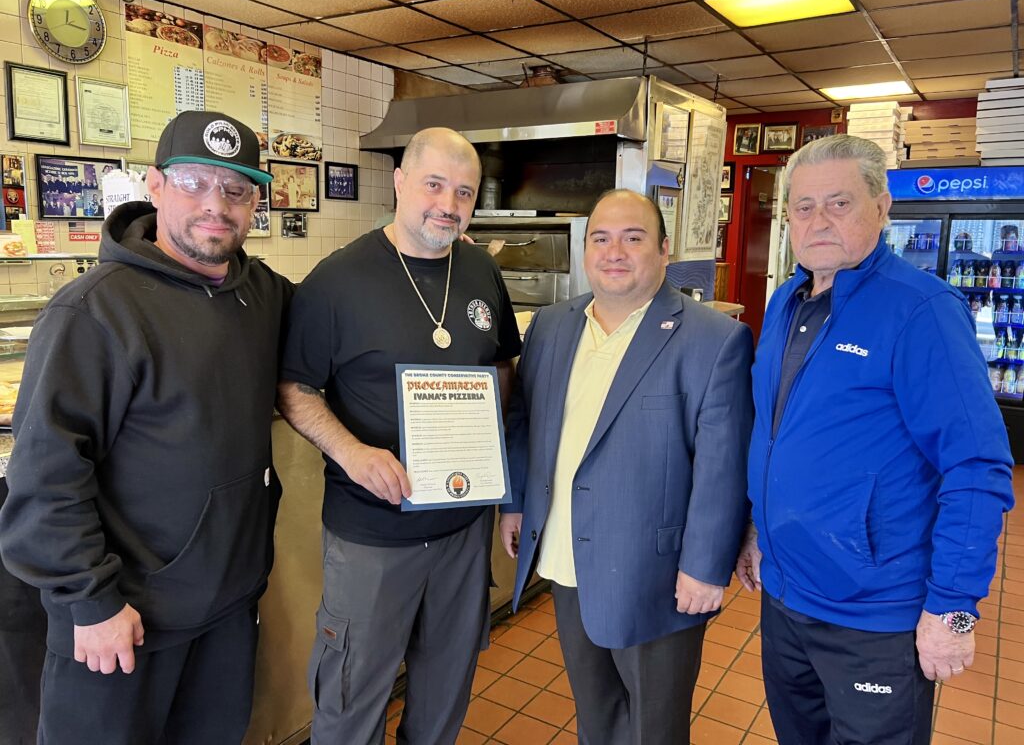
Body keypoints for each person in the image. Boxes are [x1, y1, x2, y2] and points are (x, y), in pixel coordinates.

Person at [0, 110, 292, 745]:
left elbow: (336, 328)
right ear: (155, 186)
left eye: (237, 189)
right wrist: (90, 601)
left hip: (228, 611)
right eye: (195, 183)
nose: (217, 205)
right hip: (123, 622)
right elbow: (44, 473)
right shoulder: (94, 310)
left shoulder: (262, 294)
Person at [735, 134, 1014, 745]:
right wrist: (757, 528)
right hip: (785, 597)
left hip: (874, 615)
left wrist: (954, 609)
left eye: (839, 203)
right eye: (804, 207)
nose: (818, 221)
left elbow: (977, 467)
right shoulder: (786, 300)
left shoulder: (921, 310)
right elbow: (775, 433)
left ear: (882, 208)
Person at [277, 126, 521, 744]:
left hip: (463, 530)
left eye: (463, 192)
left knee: (445, 686)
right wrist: (353, 453)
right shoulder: (336, 281)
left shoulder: (480, 273)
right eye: (434, 184)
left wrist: (480, 435)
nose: (448, 204)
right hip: (373, 533)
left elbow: (501, 364)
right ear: (400, 182)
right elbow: (294, 390)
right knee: (353, 693)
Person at [500, 189, 754, 745]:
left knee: (654, 730)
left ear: (663, 251)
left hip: (655, 575)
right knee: (596, 716)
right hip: (567, 559)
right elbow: (525, 421)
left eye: (633, 238)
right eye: (601, 238)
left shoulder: (713, 339)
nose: (615, 251)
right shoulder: (551, 325)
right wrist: (516, 503)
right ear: (585, 251)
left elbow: (722, 467)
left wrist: (706, 567)